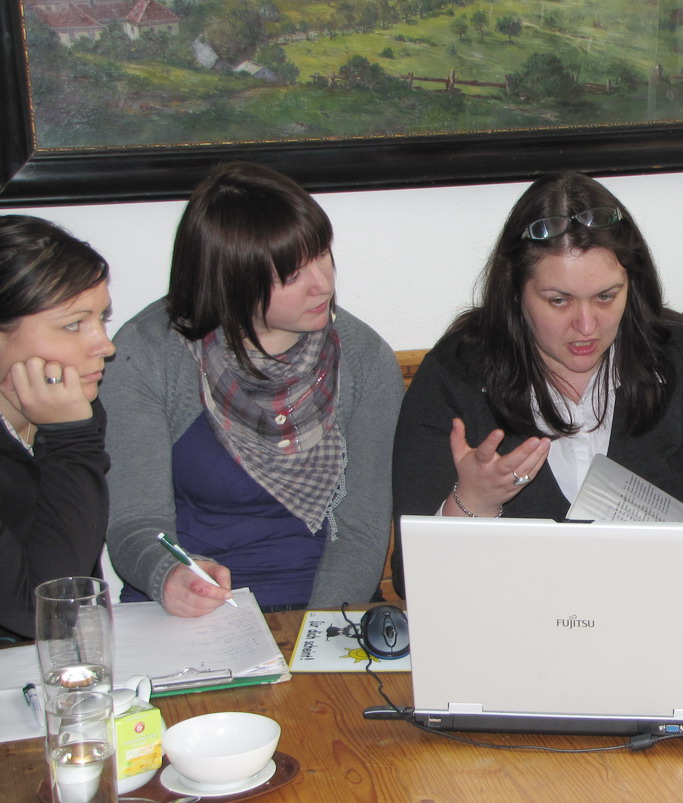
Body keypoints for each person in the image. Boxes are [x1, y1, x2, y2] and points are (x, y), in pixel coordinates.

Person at [392, 171, 683, 593]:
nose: (586, 325)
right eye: (559, 301)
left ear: (632, 285)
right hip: (516, 623)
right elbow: (414, 584)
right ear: (515, 293)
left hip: (659, 615)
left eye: (606, 297)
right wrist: (473, 503)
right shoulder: (456, 375)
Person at [101, 162, 403, 616]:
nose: (323, 284)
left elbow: (361, 530)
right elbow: (136, 521)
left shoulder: (362, 357)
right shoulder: (149, 353)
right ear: (231, 281)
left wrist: (316, 629)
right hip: (189, 610)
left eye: (322, 254)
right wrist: (169, 574)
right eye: (291, 275)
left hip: (327, 603)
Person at [0, 216, 114, 641]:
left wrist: (70, 433)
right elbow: (43, 609)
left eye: (101, 319)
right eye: (73, 324)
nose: (105, 346)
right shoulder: (70, 423)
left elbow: (74, 585)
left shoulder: (68, 407)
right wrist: (72, 439)